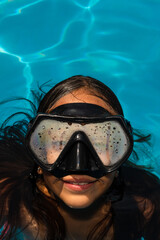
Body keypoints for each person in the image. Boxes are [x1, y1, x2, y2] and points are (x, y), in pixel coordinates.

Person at [0, 75, 160, 240]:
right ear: (38, 152)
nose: (79, 165)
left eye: (98, 144)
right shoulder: (10, 194)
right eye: (59, 143)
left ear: (120, 154)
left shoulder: (144, 205)